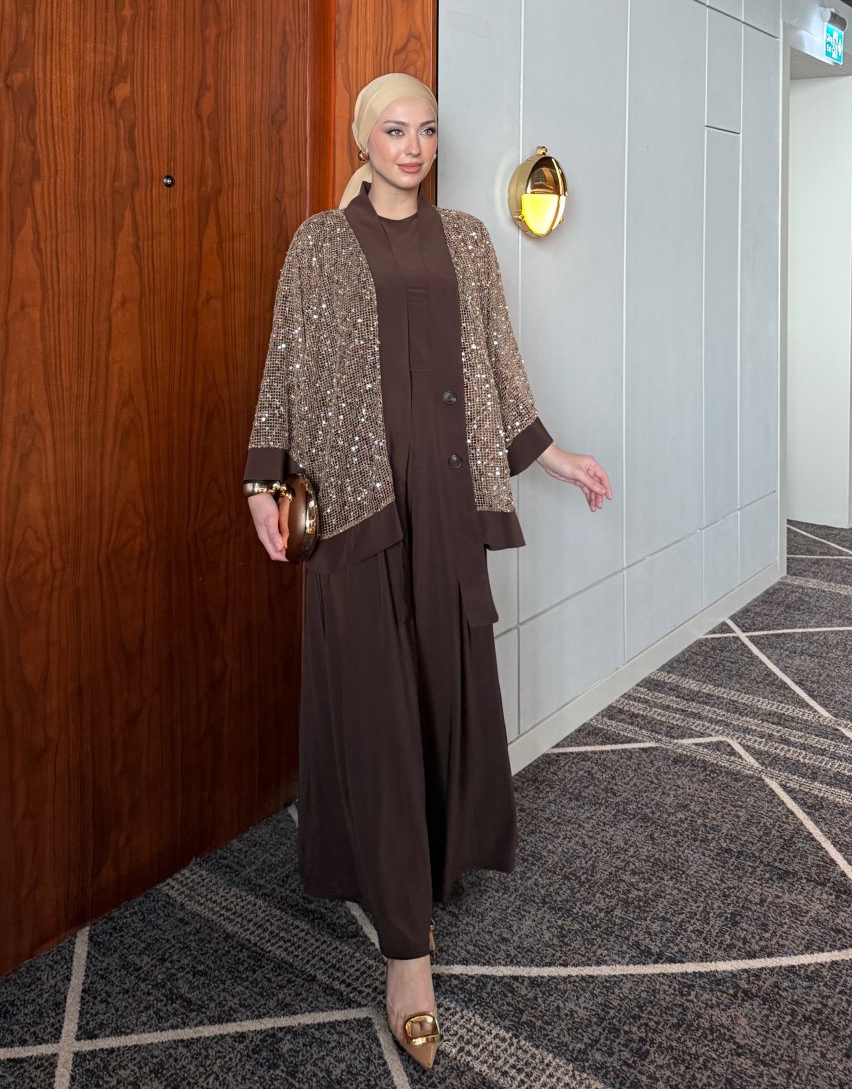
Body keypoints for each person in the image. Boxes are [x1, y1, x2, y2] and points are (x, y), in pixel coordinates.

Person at [243, 73, 611, 1069]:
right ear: (362, 139)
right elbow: (284, 364)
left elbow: (497, 360)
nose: (414, 145)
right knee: (376, 714)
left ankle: (427, 874)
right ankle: (407, 955)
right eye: (395, 129)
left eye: (428, 130)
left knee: (439, 698)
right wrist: (260, 482)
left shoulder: (467, 240)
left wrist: (555, 456)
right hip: (359, 509)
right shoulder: (320, 243)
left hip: (445, 506)